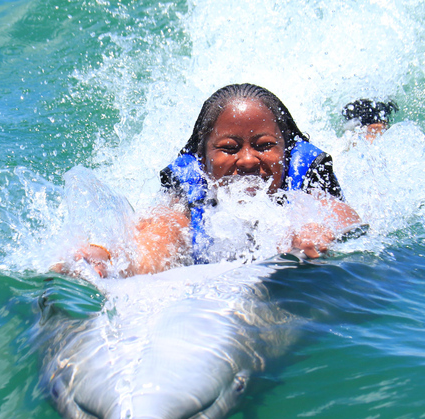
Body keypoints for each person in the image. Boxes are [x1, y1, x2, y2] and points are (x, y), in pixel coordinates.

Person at [67, 84, 363, 277]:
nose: (248, 160)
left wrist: (317, 230)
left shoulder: (302, 182)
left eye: (264, 145)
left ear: (285, 150)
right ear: (204, 161)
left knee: (363, 145)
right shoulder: (190, 196)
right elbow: (155, 238)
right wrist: (108, 257)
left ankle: (366, 122)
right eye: (229, 149)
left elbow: (341, 214)